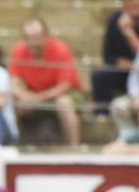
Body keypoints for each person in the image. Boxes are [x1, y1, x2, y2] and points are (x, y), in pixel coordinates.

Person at [9, 17, 83, 147]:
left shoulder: (61, 49)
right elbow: (13, 83)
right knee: (12, 100)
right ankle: (13, 146)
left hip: (63, 95)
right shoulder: (18, 50)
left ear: (46, 36)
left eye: (36, 38)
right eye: (28, 38)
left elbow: (64, 87)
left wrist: (37, 97)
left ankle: (74, 148)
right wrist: (23, 96)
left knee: (64, 102)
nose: (33, 43)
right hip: (32, 97)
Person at [91, 0, 139, 117]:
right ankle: (102, 115)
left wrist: (128, 32)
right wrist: (120, 62)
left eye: (136, 7)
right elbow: (108, 55)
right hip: (125, 71)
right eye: (127, 8)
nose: (132, 13)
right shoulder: (115, 20)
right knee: (99, 75)